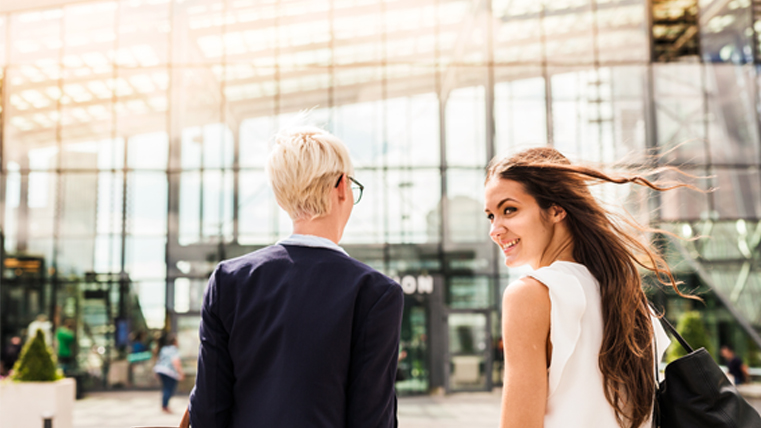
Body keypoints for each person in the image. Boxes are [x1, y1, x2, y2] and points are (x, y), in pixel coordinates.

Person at [189, 126, 404, 428]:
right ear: (342, 187)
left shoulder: (229, 280)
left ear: (281, 198)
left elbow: (208, 412)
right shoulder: (375, 292)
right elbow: (371, 419)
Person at [484, 147, 695, 428]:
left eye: (509, 210)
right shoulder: (628, 295)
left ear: (557, 210)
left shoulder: (530, 295)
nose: (495, 230)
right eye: (490, 216)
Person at [153, 333, 185, 413]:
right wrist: (180, 372)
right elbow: (175, 362)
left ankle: (164, 405)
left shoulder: (164, 349)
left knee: (166, 388)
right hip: (169, 372)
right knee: (169, 389)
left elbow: (159, 360)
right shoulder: (174, 350)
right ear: (175, 342)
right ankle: (165, 406)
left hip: (160, 369)